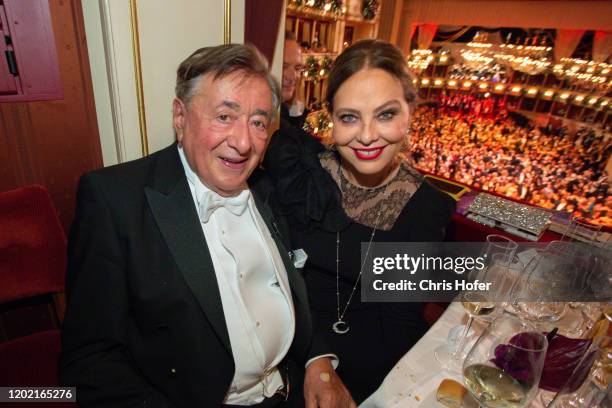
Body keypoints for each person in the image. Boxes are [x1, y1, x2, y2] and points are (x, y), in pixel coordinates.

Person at [59, 43, 355, 408]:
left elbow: (294, 294)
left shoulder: (267, 188)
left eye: (258, 122)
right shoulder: (113, 201)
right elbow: (88, 362)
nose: (244, 142)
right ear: (180, 117)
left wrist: (318, 360)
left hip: (291, 391)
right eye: (224, 116)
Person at [265, 39, 455, 403]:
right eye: (349, 117)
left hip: (368, 363)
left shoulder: (426, 208)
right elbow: (271, 282)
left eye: (385, 114)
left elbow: (399, 322)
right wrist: (314, 361)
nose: (367, 136)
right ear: (331, 116)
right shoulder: (299, 175)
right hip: (288, 345)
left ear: (410, 112)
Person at [281, 32, 309, 130]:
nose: (292, 77)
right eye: (283, 67)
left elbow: (296, 129)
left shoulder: (286, 110)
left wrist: (296, 99)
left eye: (297, 68)